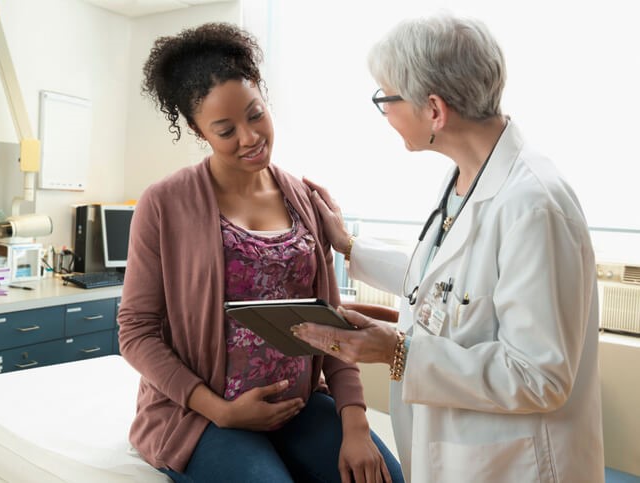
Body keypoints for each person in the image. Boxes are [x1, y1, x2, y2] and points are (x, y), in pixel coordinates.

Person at [292, 13, 604, 483]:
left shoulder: (533, 205)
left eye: (386, 98)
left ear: (434, 111)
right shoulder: (467, 177)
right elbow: (451, 284)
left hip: (519, 467)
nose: (386, 113)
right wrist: (349, 246)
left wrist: (398, 353)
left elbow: (540, 376)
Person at [117, 22, 404, 483]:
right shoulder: (164, 203)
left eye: (255, 115)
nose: (249, 138)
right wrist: (220, 411)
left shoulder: (304, 199)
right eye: (225, 130)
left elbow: (330, 320)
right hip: (208, 416)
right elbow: (136, 331)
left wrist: (355, 423)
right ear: (198, 130)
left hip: (300, 405)